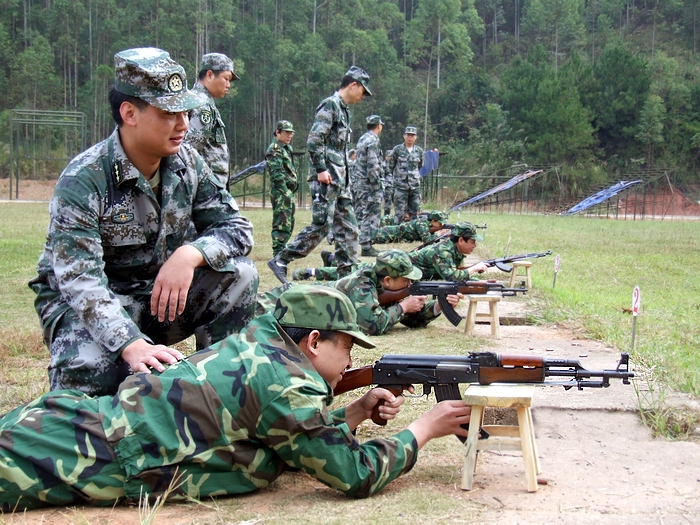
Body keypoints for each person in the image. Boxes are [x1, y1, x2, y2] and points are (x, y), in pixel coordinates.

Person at [0, 286, 471, 511]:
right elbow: (353, 474)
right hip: (75, 452)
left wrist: (350, 414)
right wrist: (424, 428)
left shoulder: (260, 344)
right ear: (312, 342)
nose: (350, 359)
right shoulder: (285, 385)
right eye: (346, 346)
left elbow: (280, 434)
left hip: (74, 425)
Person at [27, 47, 258, 397]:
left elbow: (236, 228)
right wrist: (130, 344)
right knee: (94, 375)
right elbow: (80, 281)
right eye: (168, 113)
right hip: (88, 308)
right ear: (130, 113)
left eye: (185, 112)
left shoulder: (187, 163)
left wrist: (191, 254)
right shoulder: (84, 179)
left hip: (156, 299)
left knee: (240, 275)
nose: (183, 124)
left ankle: (218, 396)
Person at [268, 66, 372, 283]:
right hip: (326, 178)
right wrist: (322, 170)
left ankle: (348, 278)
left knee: (350, 229)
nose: (363, 96)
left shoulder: (344, 110)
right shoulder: (330, 105)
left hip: (340, 180)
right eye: (363, 90)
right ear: (353, 85)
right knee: (322, 224)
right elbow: (314, 141)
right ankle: (281, 259)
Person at [263, 250, 462, 336]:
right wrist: (402, 306)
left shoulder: (381, 284)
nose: (410, 283)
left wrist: (438, 306)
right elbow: (372, 326)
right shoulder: (362, 285)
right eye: (406, 280)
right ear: (387, 281)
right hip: (283, 300)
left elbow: (409, 319)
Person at [184, 52, 239, 188]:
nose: (228, 85)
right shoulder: (203, 105)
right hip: (207, 186)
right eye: (226, 79)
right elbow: (189, 148)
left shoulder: (196, 99)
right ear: (209, 75)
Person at [409, 222, 489, 281]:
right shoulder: (443, 251)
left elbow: (457, 273)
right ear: (461, 240)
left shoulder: (454, 249)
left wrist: (478, 282)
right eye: (472, 242)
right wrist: (474, 268)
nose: (475, 246)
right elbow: (452, 277)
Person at [266, 120, 298, 256]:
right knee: (282, 220)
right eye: (287, 133)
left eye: (291, 133)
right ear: (278, 132)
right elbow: (276, 173)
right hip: (281, 191)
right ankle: (278, 250)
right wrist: (284, 191)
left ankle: (283, 247)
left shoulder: (286, 148)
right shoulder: (274, 149)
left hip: (288, 191)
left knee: (289, 220)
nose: (290, 136)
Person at [355, 115, 385, 257]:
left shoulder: (362, 139)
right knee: (371, 215)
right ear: (379, 126)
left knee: (363, 214)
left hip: (361, 183)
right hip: (370, 185)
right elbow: (372, 166)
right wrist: (377, 184)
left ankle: (363, 244)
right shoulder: (373, 141)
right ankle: (366, 246)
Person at [388, 126, 424, 224]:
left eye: (412, 135)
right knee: (399, 213)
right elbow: (390, 167)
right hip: (400, 187)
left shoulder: (419, 151)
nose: (410, 137)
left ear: (416, 137)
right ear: (404, 136)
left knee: (414, 212)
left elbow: (420, 167)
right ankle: (397, 234)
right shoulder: (397, 150)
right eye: (408, 135)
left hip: (414, 187)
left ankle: (412, 234)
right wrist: (392, 183)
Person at [372, 210, 450, 246]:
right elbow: (427, 241)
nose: (441, 225)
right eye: (440, 223)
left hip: (392, 236)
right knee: (369, 239)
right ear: (433, 221)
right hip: (386, 234)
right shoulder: (422, 223)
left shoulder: (427, 225)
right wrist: (439, 233)